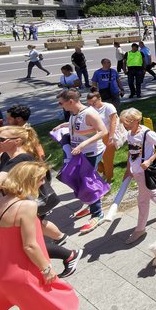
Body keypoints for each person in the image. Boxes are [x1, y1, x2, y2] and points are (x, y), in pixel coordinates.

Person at [0, 126, 82, 279]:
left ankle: (69, 254)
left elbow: (0, 180)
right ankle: (63, 242)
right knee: (29, 238)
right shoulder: (6, 156)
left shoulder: (20, 158)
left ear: (17, 141)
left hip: (25, 204)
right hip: (16, 204)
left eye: (1, 139)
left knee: (27, 244)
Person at [0, 162, 80, 310]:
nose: (43, 183)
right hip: (26, 274)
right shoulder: (27, 207)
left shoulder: (0, 202)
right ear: (28, 180)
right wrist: (47, 269)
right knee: (63, 303)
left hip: (3, 274)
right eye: (41, 179)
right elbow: (29, 245)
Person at [55, 89, 108, 233]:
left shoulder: (90, 113)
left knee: (87, 181)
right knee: (79, 179)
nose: (60, 106)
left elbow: (103, 131)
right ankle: (91, 204)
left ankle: (98, 213)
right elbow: (79, 126)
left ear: (70, 101)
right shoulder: (74, 113)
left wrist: (83, 145)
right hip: (79, 153)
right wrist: (64, 125)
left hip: (90, 153)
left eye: (61, 103)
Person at [120, 108, 156, 244]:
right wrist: (128, 168)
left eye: (127, 123)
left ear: (136, 121)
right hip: (136, 169)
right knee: (148, 190)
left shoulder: (147, 133)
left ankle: (140, 229)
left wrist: (149, 160)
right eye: (124, 124)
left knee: (142, 199)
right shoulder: (130, 133)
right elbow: (131, 151)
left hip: (144, 170)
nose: (125, 126)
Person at [86, 89, 118, 183]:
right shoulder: (90, 110)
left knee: (107, 159)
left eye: (94, 102)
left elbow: (113, 122)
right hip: (95, 136)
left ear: (100, 99)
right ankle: (103, 171)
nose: (92, 105)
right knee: (92, 158)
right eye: (89, 103)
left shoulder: (108, 107)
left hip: (107, 135)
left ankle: (108, 179)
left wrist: (111, 137)